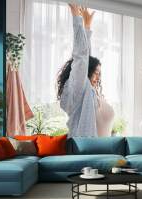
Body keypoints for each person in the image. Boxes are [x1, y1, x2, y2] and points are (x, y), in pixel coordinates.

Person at [57, 4, 114, 138]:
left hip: (102, 151)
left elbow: (86, 59)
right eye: (96, 72)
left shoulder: (90, 91)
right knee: (82, 58)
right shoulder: (78, 89)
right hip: (86, 152)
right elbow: (81, 56)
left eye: (100, 73)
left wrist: (87, 27)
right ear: (86, 72)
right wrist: (77, 19)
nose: (98, 77)